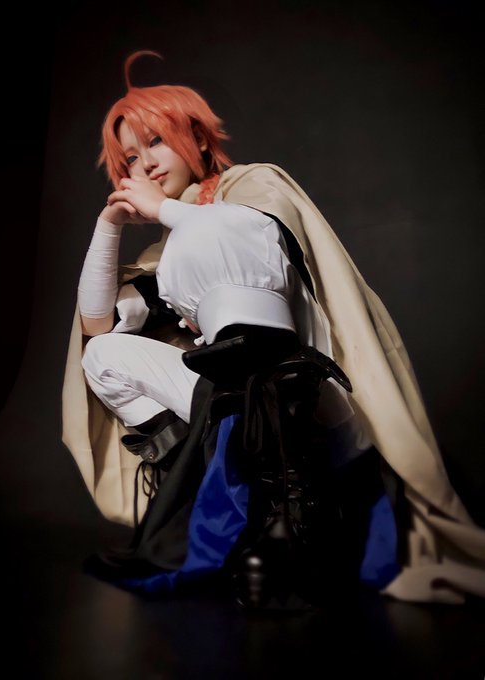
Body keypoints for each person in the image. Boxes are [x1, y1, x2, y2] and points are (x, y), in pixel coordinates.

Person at [62, 50, 485, 605]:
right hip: (233, 413)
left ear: (196, 137)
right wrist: (109, 222)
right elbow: (96, 323)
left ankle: (289, 510)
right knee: (104, 355)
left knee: (210, 237)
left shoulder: (251, 188)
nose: (147, 166)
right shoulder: (167, 251)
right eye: (132, 159)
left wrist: (167, 213)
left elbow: (239, 234)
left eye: (156, 141)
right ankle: (213, 494)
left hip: (315, 405)